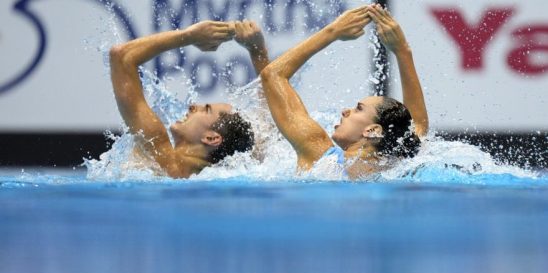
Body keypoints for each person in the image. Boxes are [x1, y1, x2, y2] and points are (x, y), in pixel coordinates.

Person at [260, 4, 429, 179]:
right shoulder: (398, 164)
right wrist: (403, 51)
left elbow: (272, 75)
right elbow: (416, 125)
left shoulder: (320, 157)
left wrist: (333, 31)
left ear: (372, 130)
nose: (345, 111)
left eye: (359, 108)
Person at [109, 20, 269, 178]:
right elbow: (269, 114)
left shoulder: (157, 154)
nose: (192, 106)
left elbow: (121, 57)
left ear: (211, 138)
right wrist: (258, 52)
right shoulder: (234, 171)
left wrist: (189, 36)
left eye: (206, 110)